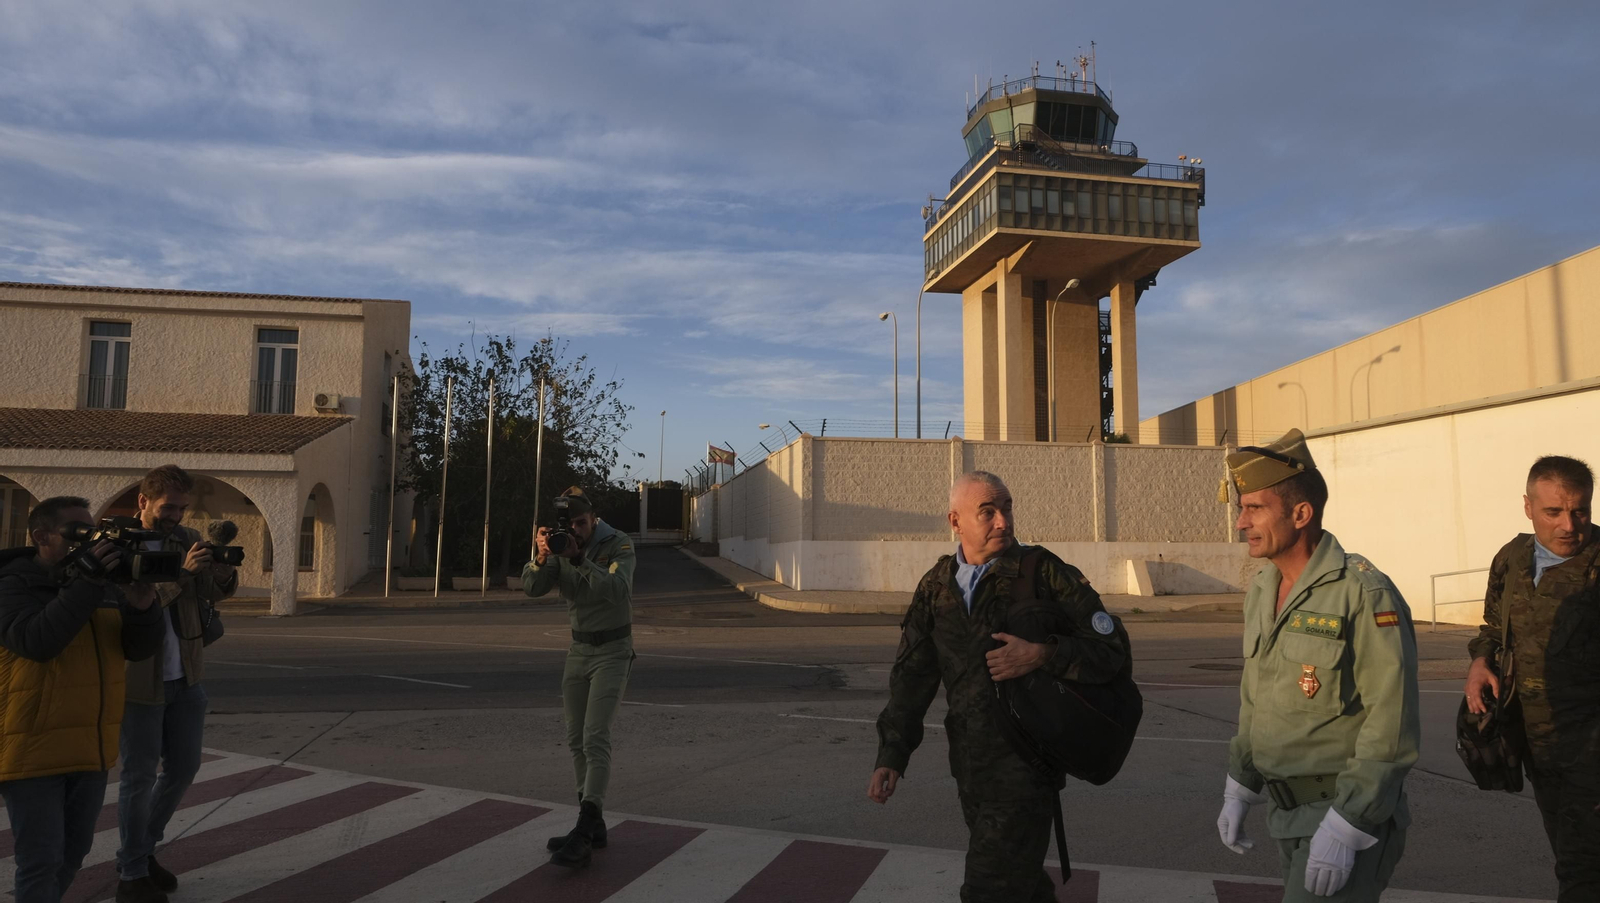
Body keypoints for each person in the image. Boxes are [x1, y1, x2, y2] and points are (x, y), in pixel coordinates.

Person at [869, 471, 1127, 902]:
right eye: (987, 512)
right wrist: (892, 755)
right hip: (969, 766)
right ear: (956, 522)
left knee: (989, 888)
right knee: (1021, 884)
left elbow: (1110, 649)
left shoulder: (1043, 574)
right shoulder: (936, 587)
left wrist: (1044, 653)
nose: (1003, 521)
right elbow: (912, 677)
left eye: (1006, 508)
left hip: (1027, 765)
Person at [1216, 429, 1419, 901]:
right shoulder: (1263, 589)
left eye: (1254, 508)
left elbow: (1392, 721)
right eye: (1241, 508)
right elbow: (1257, 699)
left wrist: (1349, 824)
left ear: (1301, 513)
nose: (1241, 522)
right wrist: (1240, 785)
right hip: (1287, 816)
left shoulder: (1364, 592)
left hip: (1341, 816)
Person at [0, 496, 164, 903]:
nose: (89, 541)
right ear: (41, 537)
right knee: (40, 859)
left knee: (74, 853)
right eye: (78, 533)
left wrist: (143, 606)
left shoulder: (100, 584)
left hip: (91, 747)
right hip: (32, 750)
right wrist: (86, 583)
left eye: (92, 531)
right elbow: (37, 641)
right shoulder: (12, 585)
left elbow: (136, 649)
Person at [1464, 455, 1600, 902]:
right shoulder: (1513, 558)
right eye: (1553, 512)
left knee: (1584, 869)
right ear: (1528, 507)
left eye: (1579, 510)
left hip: (1591, 749)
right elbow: (1491, 626)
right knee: (1566, 851)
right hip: (1535, 743)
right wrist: (1481, 662)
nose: (1568, 524)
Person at [116, 465, 237, 903]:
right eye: (169, 507)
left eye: (183, 508)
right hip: (140, 681)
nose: (176, 516)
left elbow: (210, 595)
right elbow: (134, 604)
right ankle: (131, 874)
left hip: (186, 674)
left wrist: (220, 574)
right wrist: (182, 574)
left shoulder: (185, 540)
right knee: (138, 776)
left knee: (184, 768)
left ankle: (142, 850)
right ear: (143, 502)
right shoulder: (118, 546)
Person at [522, 487, 637, 869]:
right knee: (575, 739)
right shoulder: (559, 544)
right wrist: (541, 557)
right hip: (578, 650)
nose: (575, 530)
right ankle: (594, 823)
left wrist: (581, 559)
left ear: (593, 519)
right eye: (569, 525)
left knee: (595, 735)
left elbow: (618, 591)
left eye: (581, 523)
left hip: (613, 651)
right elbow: (532, 589)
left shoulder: (618, 544)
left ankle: (585, 828)